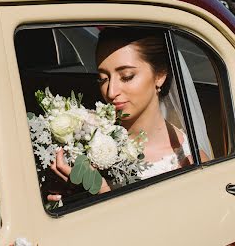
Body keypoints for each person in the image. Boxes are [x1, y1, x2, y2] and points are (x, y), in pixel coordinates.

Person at [48, 27, 209, 202]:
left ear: (160, 75)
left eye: (126, 76)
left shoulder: (189, 161)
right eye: (103, 78)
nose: (111, 92)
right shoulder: (85, 136)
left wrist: (97, 189)